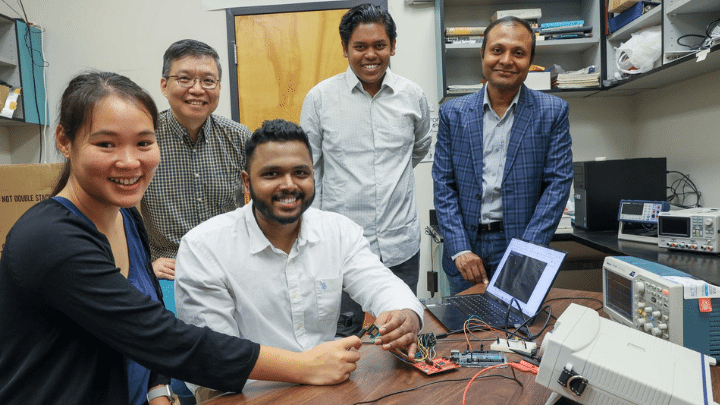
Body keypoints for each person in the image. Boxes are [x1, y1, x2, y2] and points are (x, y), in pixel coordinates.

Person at [0, 72, 365, 405]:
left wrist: (157, 389)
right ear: (65, 140)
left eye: (144, 143)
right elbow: (160, 336)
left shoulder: (125, 217)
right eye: (107, 145)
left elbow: (147, 311)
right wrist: (303, 366)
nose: (130, 162)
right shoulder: (51, 239)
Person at [175, 119, 424, 399]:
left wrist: (405, 314)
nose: (289, 185)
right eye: (271, 174)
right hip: (241, 392)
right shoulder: (204, 247)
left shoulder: (338, 232)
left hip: (327, 384)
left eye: (300, 173)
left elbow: (381, 285)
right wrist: (305, 368)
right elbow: (215, 357)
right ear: (247, 182)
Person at [299, 3, 431, 335]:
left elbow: (418, 148)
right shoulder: (319, 100)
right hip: (341, 249)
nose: (370, 54)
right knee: (343, 338)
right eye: (360, 46)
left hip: (400, 244)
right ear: (345, 49)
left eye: (379, 45)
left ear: (392, 47)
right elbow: (309, 169)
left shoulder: (412, 97)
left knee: (400, 336)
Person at [431, 16, 573, 295]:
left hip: (522, 242)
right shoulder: (453, 113)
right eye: (497, 50)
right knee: (466, 331)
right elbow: (443, 184)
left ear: (530, 60)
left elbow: (558, 183)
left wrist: (528, 250)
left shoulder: (553, 112)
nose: (506, 60)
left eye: (518, 53)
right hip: (466, 250)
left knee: (521, 332)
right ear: (482, 53)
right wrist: (459, 247)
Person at [141, 39, 250, 280]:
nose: (197, 89)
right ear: (164, 85)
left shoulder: (239, 137)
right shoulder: (144, 139)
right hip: (170, 269)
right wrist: (144, 263)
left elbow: (262, 200)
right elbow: (118, 210)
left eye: (208, 81)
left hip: (229, 265)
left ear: (219, 87)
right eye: (185, 79)